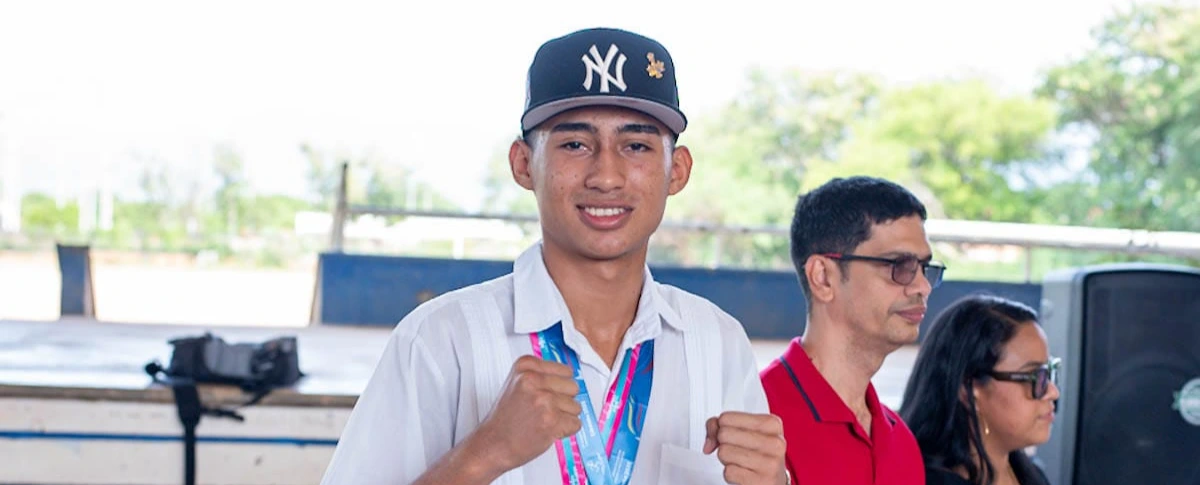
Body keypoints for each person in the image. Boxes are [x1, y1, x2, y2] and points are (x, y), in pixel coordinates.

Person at [319, 27, 788, 485]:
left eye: (636, 146)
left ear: (677, 171)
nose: (606, 176)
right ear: (524, 164)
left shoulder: (717, 343)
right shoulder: (440, 341)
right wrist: (485, 455)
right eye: (575, 145)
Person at [759, 176, 944, 484]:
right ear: (823, 277)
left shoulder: (901, 441)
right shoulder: (754, 419)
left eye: (925, 268)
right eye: (899, 265)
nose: (922, 286)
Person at [899, 294, 1058, 485]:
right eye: (1035, 376)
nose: (1053, 392)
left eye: (1049, 373)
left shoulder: (1030, 473)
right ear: (970, 390)